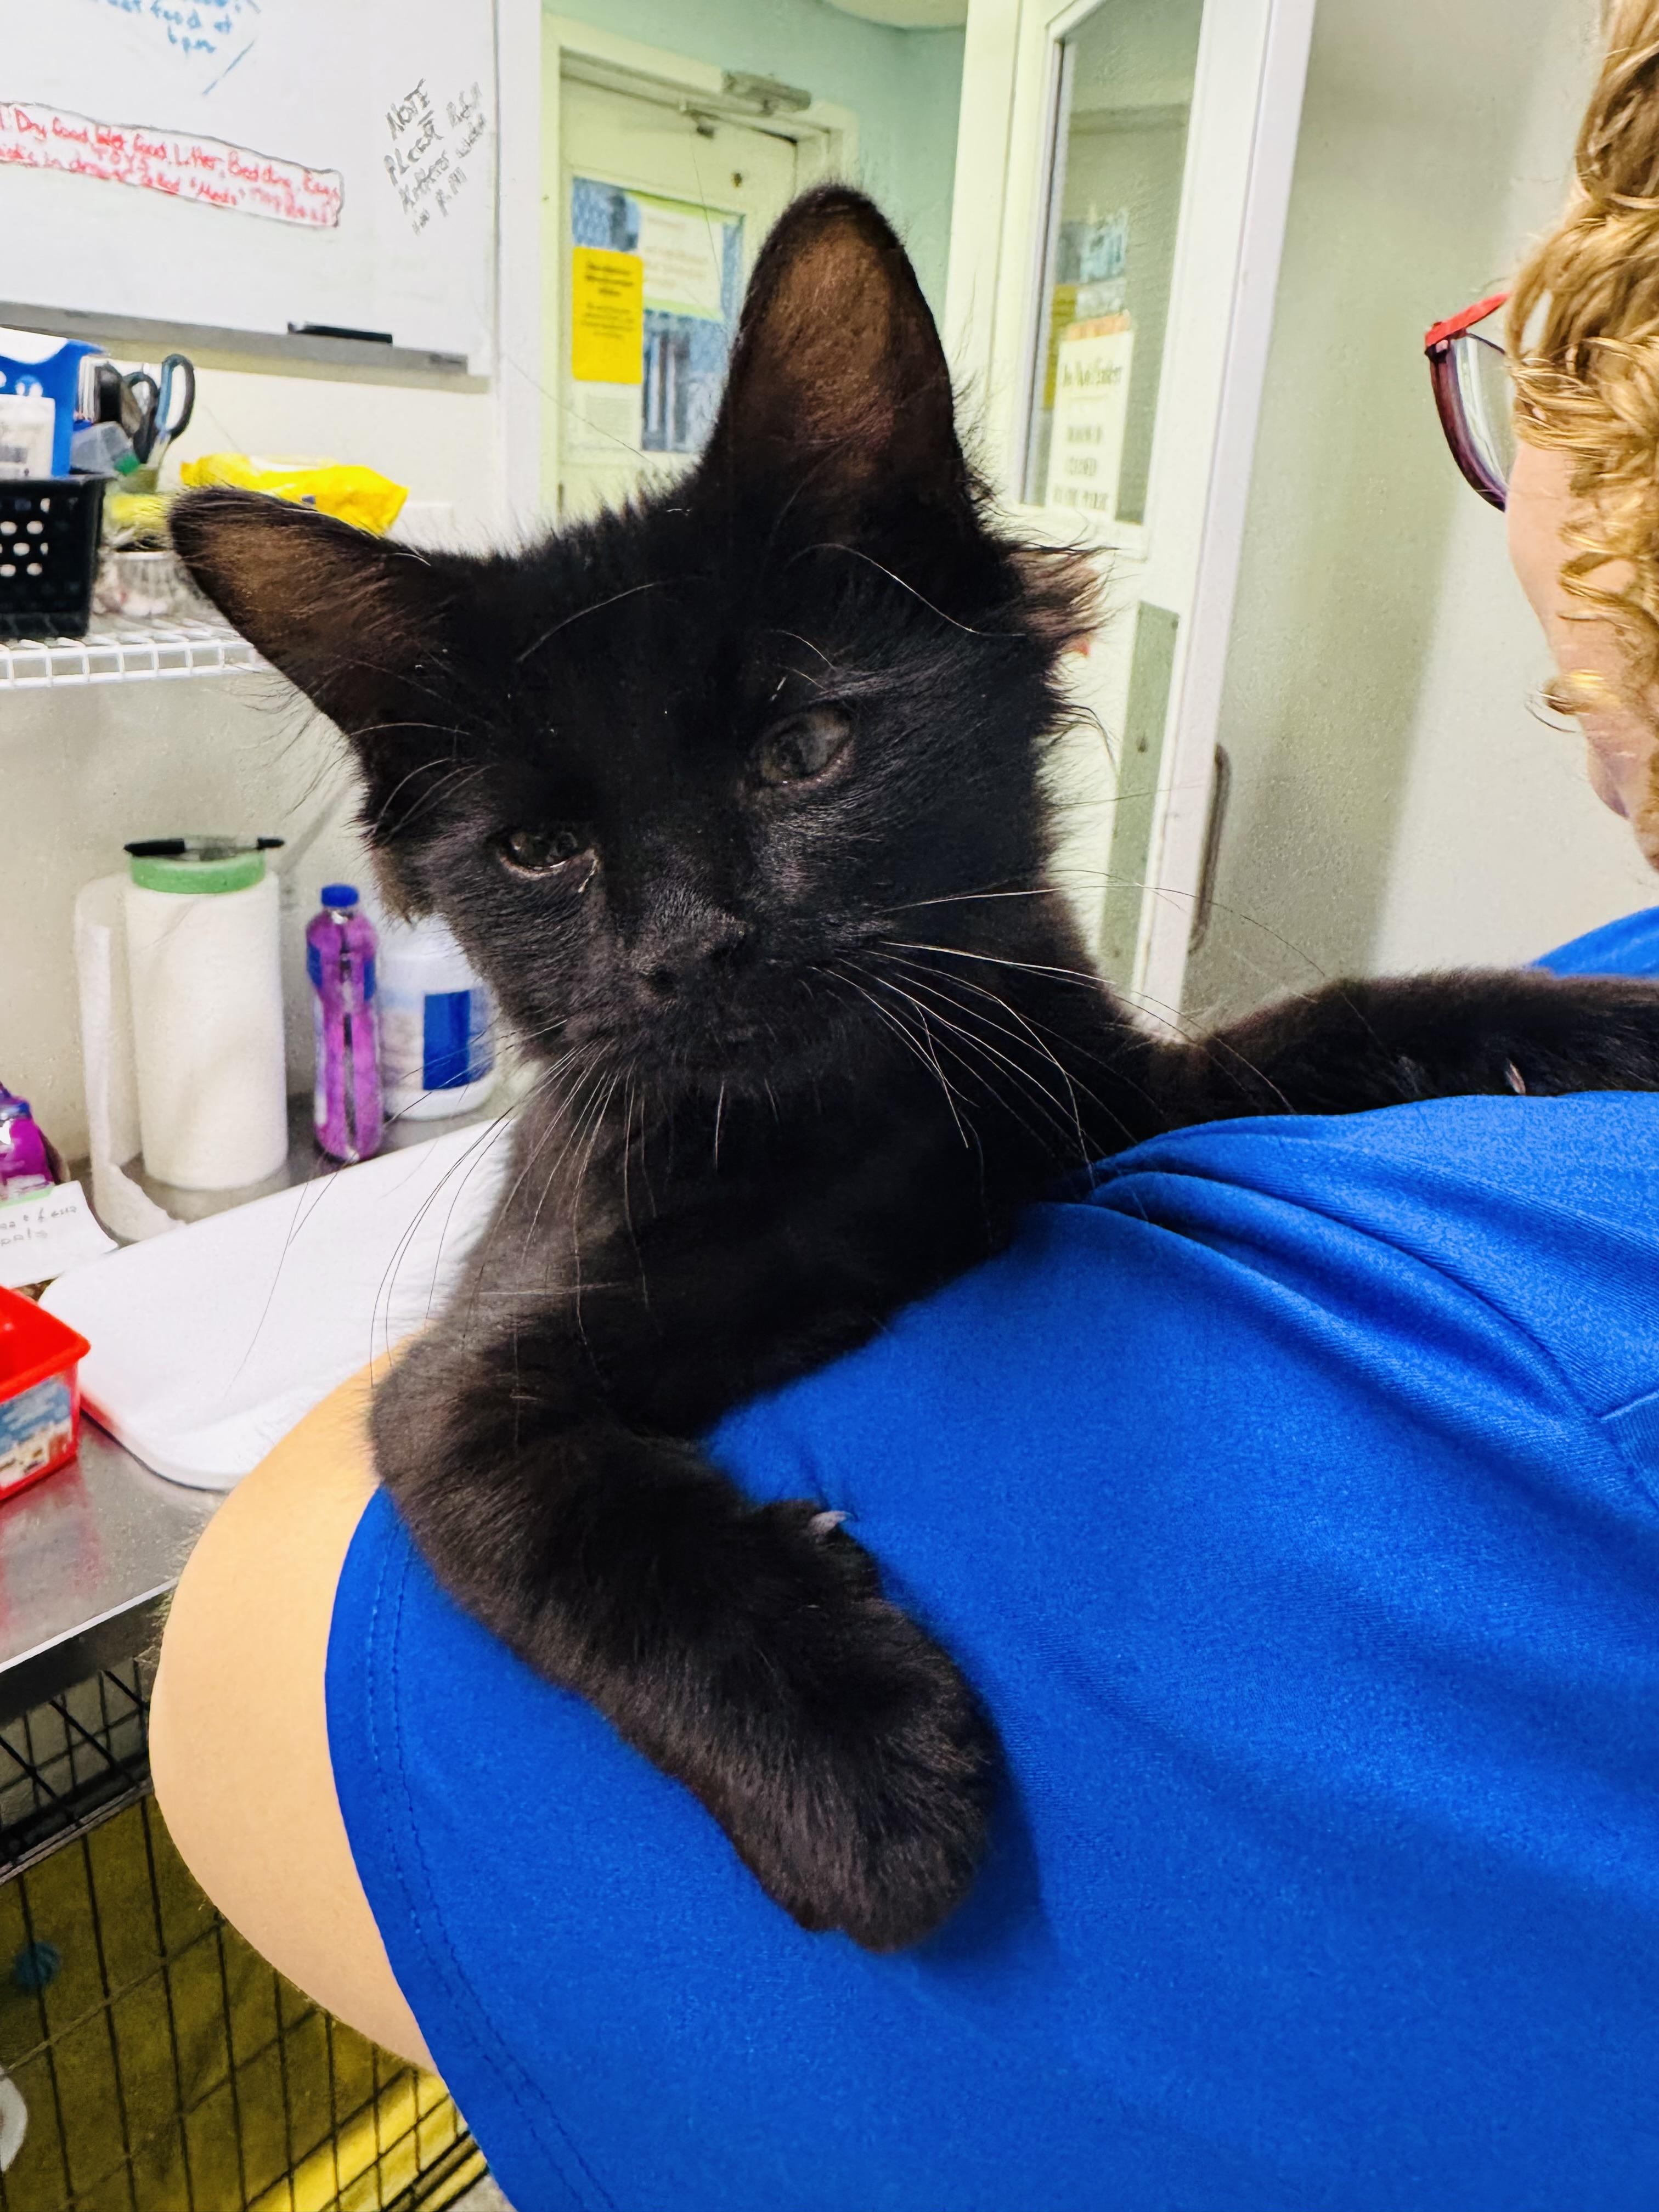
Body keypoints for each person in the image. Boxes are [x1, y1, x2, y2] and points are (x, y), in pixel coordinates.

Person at [154, 15, 1659, 2206]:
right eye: (549, 853)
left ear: (980, 636)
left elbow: (1151, 1124)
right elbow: (473, 1441)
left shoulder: (997, 1001)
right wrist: (757, 1666)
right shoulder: (644, 1175)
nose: (680, 939)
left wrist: (1447, 1031)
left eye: (790, 754)